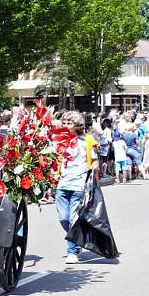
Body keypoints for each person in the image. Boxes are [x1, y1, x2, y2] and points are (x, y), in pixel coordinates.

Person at [56, 111, 99, 264]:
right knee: (63, 218)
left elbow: (94, 160)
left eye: (70, 123)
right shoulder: (60, 140)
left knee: (73, 218)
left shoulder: (87, 140)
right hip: (62, 184)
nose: (66, 126)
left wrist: (92, 178)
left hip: (79, 185)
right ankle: (77, 238)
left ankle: (72, 251)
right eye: (65, 123)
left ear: (78, 125)